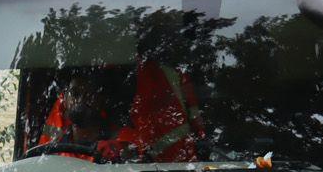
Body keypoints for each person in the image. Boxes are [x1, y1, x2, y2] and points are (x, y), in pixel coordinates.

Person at [36, 59, 202, 162]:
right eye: (75, 93)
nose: (80, 99)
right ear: (64, 100)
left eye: (88, 94)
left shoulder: (129, 147)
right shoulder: (52, 150)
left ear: (102, 100)